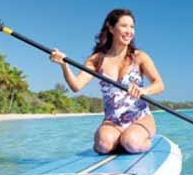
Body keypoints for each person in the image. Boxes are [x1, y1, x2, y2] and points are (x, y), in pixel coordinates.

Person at [49, 9, 164, 154]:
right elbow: (76, 86)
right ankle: (119, 141)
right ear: (111, 28)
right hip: (113, 121)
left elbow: (159, 84)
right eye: (124, 26)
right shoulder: (96, 60)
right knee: (103, 145)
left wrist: (143, 90)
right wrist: (64, 65)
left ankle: (134, 140)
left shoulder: (139, 56)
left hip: (140, 117)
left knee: (132, 142)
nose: (129, 31)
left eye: (132, 27)